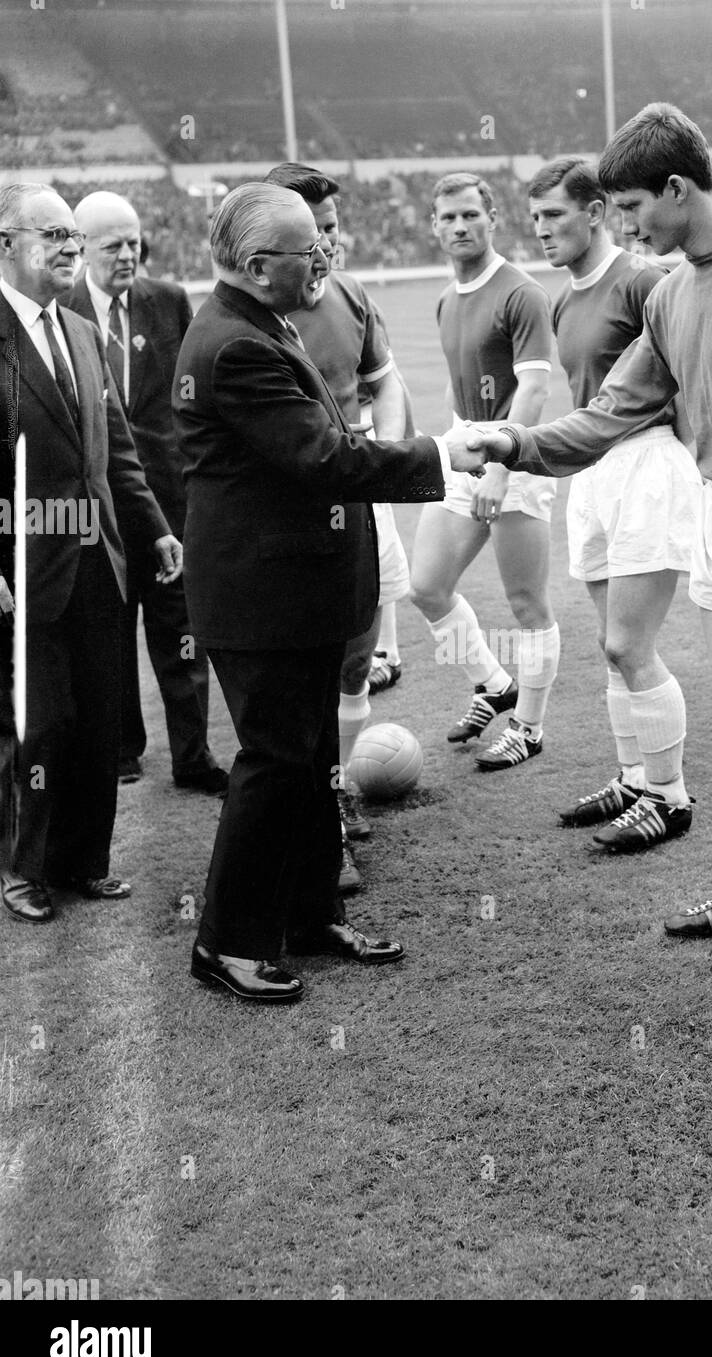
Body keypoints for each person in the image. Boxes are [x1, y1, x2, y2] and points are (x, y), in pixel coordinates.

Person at [462, 105, 712, 989]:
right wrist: (517, 445)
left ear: (677, 189)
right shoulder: (672, 292)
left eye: (628, 207)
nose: (622, 226)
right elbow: (613, 410)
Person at [172, 182, 478, 1004]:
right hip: (261, 602)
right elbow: (326, 460)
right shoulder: (236, 346)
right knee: (272, 764)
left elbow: (329, 445)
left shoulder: (260, 323)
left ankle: (307, 918)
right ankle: (226, 943)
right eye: (310, 249)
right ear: (257, 264)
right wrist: (442, 456)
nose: (325, 258)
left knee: (308, 762)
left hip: (294, 593)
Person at [0, 183, 182, 923]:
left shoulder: (80, 333)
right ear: (6, 244)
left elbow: (118, 456)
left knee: (100, 718)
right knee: (37, 723)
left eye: (76, 235)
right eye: (53, 234)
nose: (72, 248)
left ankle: (85, 861)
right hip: (22, 570)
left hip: (98, 559)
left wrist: (155, 528)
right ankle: (24, 868)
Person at [528, 158, 701, 853]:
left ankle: (670, 797)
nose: (541, 231)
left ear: (595, 212)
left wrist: (693, 470)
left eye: (554, 216)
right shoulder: (562, 298)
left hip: (647, 465)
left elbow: (684, 381)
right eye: (534, 218)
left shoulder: (643, 280)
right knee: (610, 650)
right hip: (593, 474)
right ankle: (632, 778)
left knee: (631, 643)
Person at [262, 163, 413, 888]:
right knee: (304, 672)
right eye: (311, 233)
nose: (325, 246)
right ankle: (310, 815)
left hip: (357, 495)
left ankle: (338, 804)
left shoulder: (350, 295)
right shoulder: (262, 312)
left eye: (330, 230)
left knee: (356, 661)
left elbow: (384, 378)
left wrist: (386, 451)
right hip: (292, 511)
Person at [66, 190, 227, 795]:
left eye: (135, 243)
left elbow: (194, 394)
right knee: (109, 626)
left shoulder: (168, 300)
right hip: (99, 503)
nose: (128, 255)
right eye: (114, 246)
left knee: (181, 628)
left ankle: (193, 755)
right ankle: (122, 747)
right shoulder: (64, 307)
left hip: (169, 496)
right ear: (83, 249)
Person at [409, 173, 560, 772]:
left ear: (493, 217)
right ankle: (494, 684)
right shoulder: (447, 299)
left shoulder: (521, 293)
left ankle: (530, 726)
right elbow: (461, 380)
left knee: (527, 603)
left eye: (470, 214)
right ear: (434, 227)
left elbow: (536, 385)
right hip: (464, 453)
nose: (459, 227)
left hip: (514, 458)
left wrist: (502, 465)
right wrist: (453, 448)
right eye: (447, 218)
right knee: (425, 586)